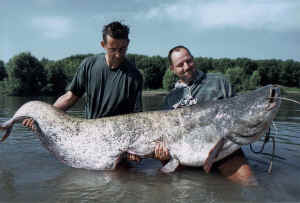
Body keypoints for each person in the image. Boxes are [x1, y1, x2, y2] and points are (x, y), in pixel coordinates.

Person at [23, 21, 144, 161]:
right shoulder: (89, 64)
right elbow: (70, 97)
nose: (117, 54)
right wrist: (42, 116)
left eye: (122, 49)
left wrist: (134, 148)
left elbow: (137, 118)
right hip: (90, 135)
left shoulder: (135, 76)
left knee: (119, 177)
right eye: (112, 49)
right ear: (103, 45)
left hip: (118, 138)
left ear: (128, 43)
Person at [158, 45, 257, 185]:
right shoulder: (170, 98)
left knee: (249, 184)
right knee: (164, 180)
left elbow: (241, 114)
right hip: (184, 156)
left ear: (193, 59)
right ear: (172, 69)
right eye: (180, 65)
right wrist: (162, 153)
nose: (186, 66)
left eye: (189, 61)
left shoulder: (220, 82)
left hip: (224, 152)